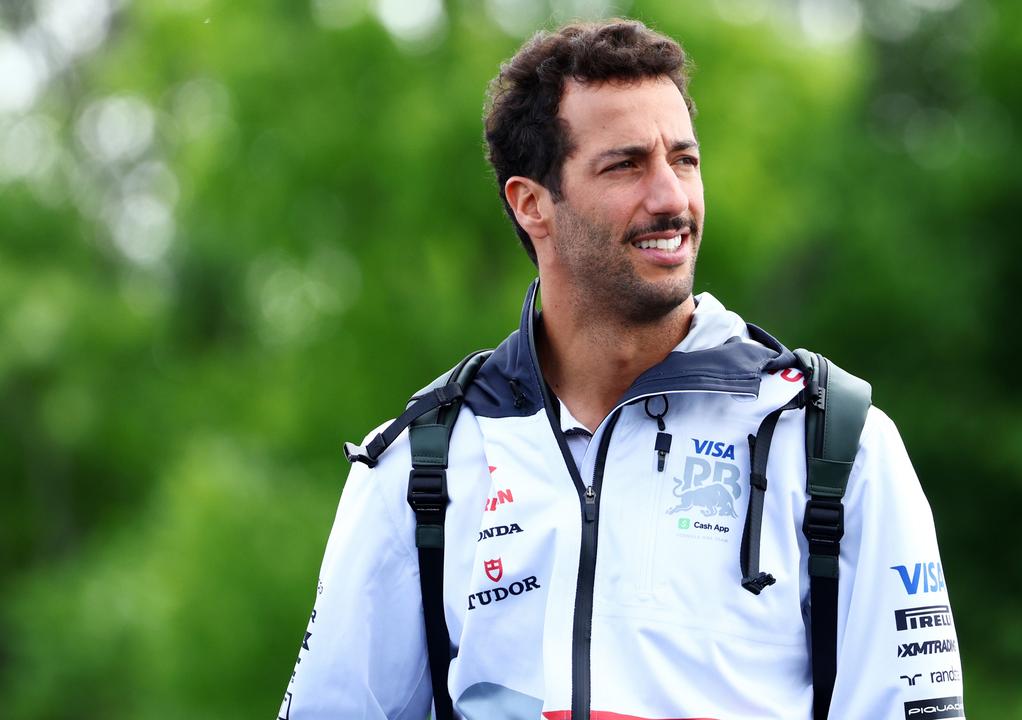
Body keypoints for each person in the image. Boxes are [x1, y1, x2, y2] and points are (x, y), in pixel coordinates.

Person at [280, 19, 963, 720]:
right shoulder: (421, 465)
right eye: (626, 165)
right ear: (532, 204)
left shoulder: (837, 445)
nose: (671, 197)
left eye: (685, 160)